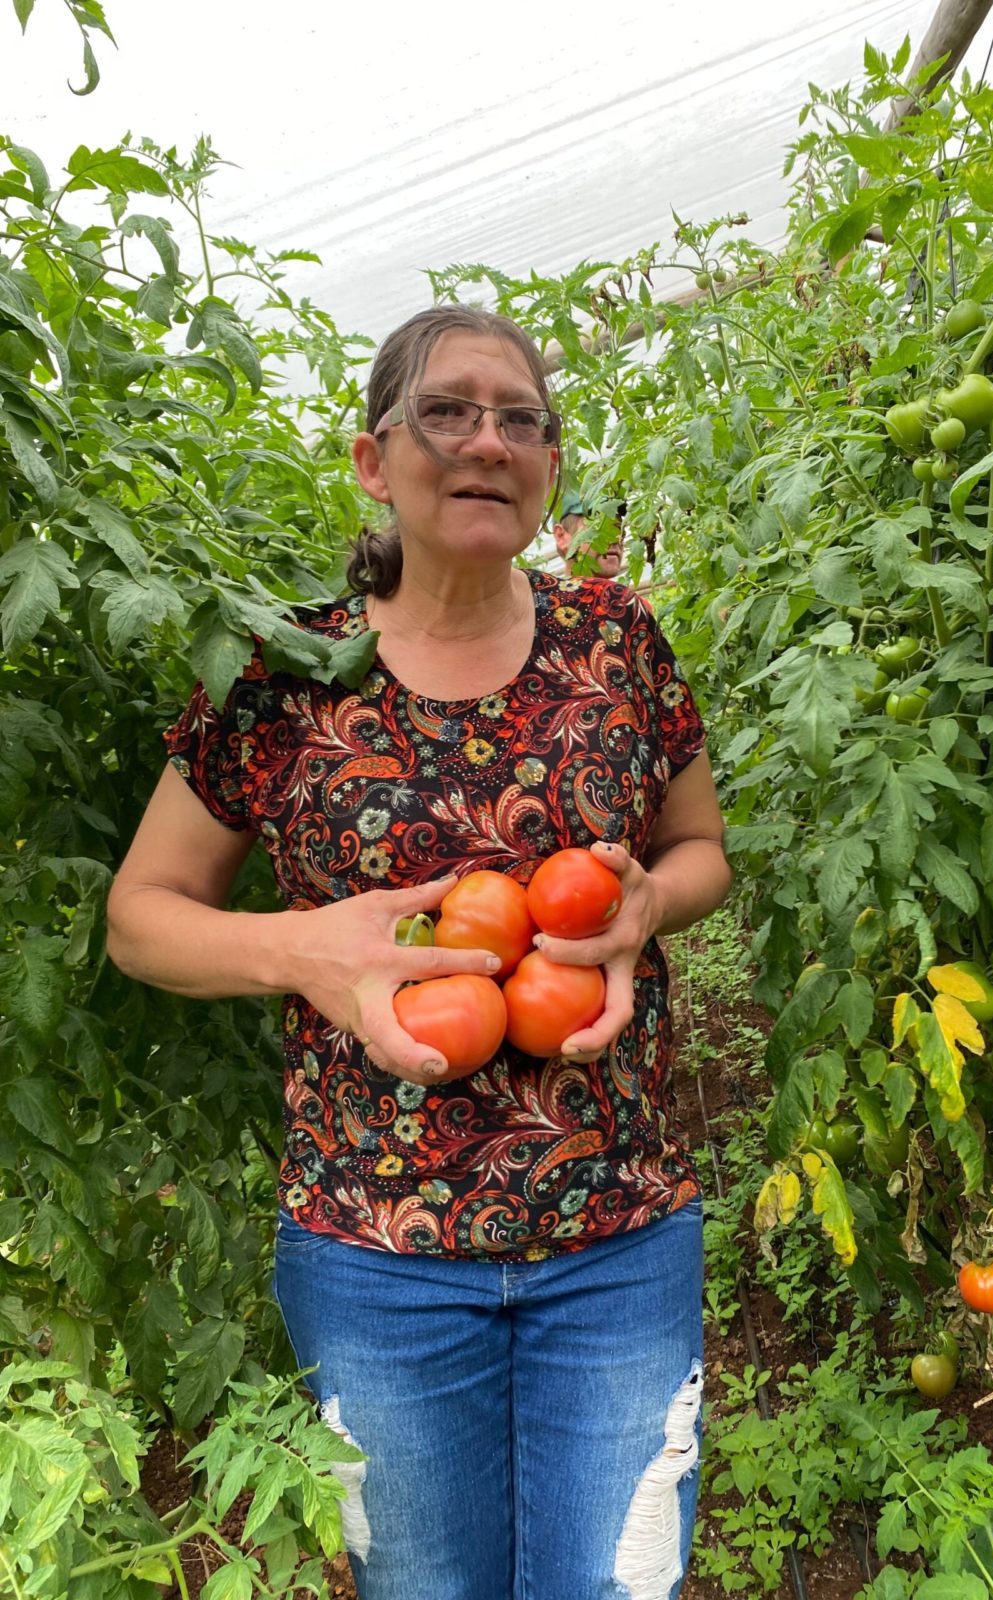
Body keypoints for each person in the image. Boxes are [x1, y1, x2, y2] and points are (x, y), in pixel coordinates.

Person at [105, 304, 731, 1600]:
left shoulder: (617, 643)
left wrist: (644, 910)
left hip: (616, 1236)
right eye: (449, 410)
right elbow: (142, 916)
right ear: (372, 457)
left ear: (551, 463)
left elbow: (699, 851)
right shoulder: (282, 672)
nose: (488, 441)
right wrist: (305, 953)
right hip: (373, 1250)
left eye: (521, 418)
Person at [552, 488, 625, 578]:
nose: (615, 539)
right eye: (597, 527)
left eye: (618, 529)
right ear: (561, 536)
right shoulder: (537, 591)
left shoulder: (622, 592)